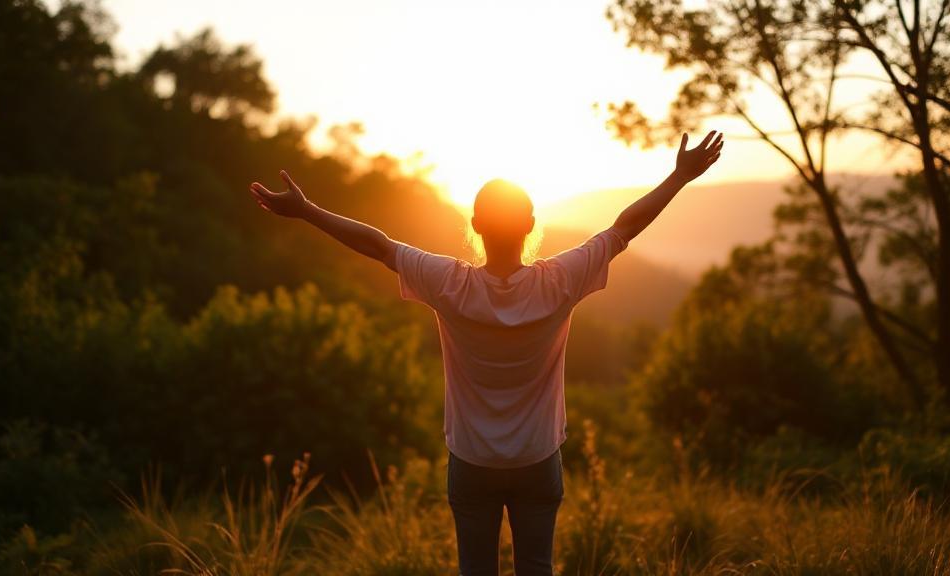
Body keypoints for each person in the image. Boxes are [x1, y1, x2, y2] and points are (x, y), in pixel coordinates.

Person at [248, 130, 724, 575]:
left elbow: (377, 245)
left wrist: (308, 211)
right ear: (532, 225)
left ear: (474, 225)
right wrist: (680, 177)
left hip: (472, 463)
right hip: (538, 460)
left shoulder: (449, 282)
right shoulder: (559, 281)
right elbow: (625, 227)